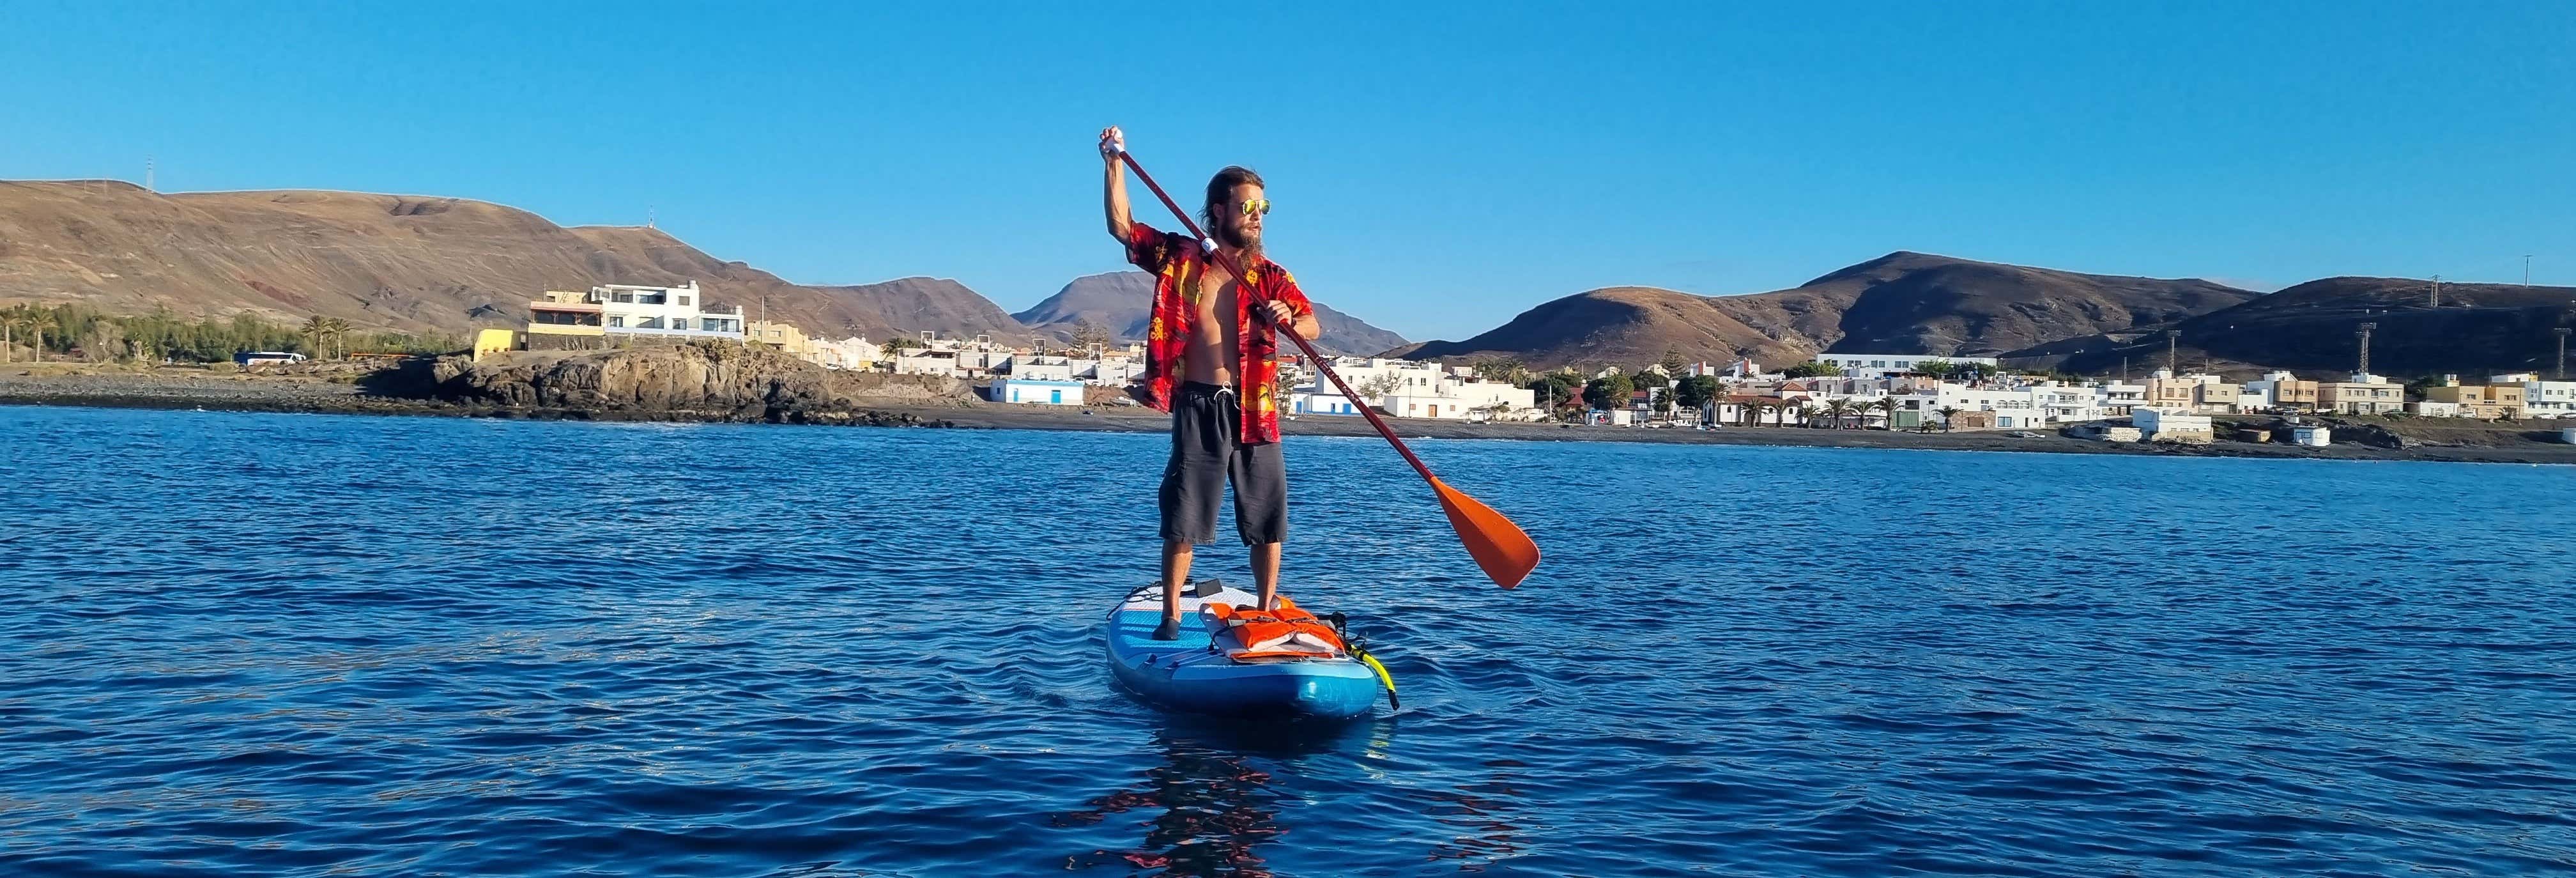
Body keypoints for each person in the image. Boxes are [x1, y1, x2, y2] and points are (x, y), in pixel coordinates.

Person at [1098, 126, 1322, 640]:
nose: (1257, 218)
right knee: (1184, 514)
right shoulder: (1180, 256)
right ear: (1219, 210)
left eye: (1264, 209)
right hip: (1199, 404)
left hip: (1255, 406)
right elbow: (1123, 227)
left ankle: (1266, 609)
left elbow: (1311, 326)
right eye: (1248, 207)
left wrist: (1287, 317)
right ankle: (1171, 615)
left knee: (1267, 515)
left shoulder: (1270, 277)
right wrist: (1114, 162)